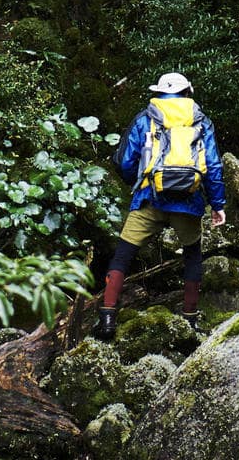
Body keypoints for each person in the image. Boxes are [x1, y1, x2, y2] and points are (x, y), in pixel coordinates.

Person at [95, 72, 226, 341]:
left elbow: (125, 162)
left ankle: (107, 317)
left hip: (148, 198)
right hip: (188, 201)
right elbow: (212, 166)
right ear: (187, 92)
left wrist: (141, 182)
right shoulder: (201, 121)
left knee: (123, 254)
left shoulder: (146, 118)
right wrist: (217, 204)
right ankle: (189, 320)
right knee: (192, 255)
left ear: (160, 92)